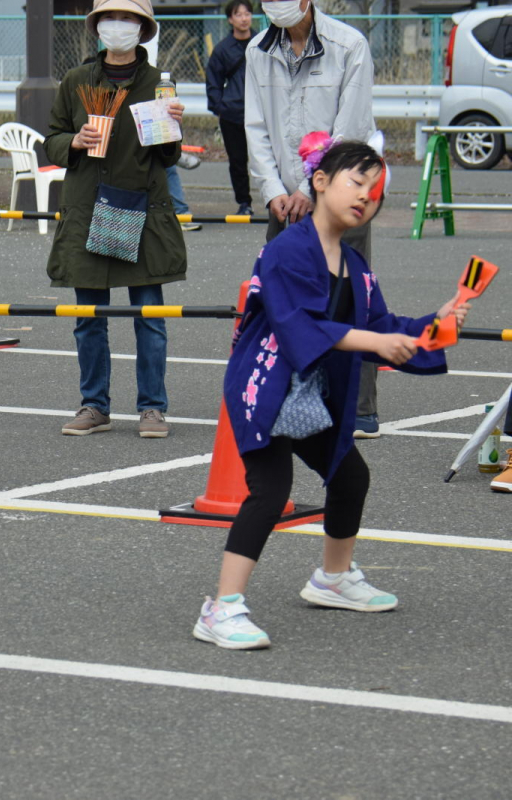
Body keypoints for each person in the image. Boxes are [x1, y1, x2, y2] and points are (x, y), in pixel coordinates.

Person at [193, 137, 470, 650]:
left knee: (350, 475)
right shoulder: (288, 250)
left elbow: (385, 325)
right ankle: (221, 608)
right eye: (356, 181)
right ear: (320, 182)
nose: (367, 196)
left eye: (376, 190)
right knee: (271, 490)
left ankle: (332, 579)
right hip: (268, 385)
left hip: (309, 393)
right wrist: (380, 340)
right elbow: (303, 324)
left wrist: (440, 324)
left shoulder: (357, 268)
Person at [45, 0, 187, 440]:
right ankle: (94, 405)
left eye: (127, 18)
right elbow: (50, 141)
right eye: (110, 17)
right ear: (97, 26)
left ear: (142, 27)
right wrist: (75, 140)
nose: (117, 25)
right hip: (88, 206)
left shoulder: (160, 83)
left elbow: (168, 157)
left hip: (142, 207)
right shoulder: (76, 81)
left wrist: (174, 128)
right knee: (89, 315)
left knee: (150, 314)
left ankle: (152, 408)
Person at [243, 0, 382, 439]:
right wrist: (273, 192)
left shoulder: (349, 45)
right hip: (284, 199)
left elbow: (350, 127)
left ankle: (358, 409)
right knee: (280, 301)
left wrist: (309, 189)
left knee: (346, 300)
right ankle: (284, 398)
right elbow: (255, 127)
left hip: (340, 195)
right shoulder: (257, 51)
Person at [205, 0, 254, 216]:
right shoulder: (223, 49)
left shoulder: (262, 43)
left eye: (247, 14)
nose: (244, 18)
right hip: (232, 113)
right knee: (238, 161)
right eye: (238, 14)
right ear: (230, 19)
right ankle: (244, 203)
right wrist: (220, 107)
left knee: (271, 158)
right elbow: (213, 81)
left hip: (262, 113)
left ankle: (278, 199)